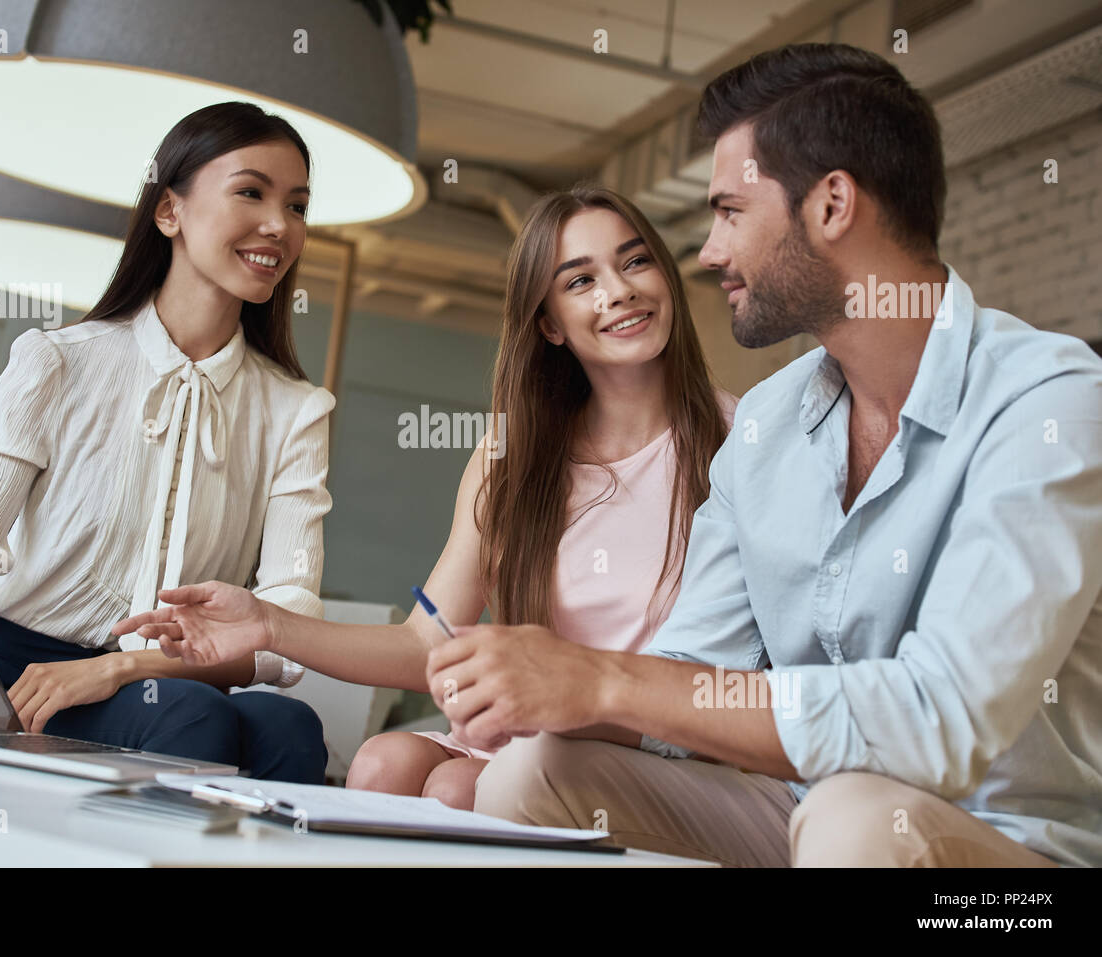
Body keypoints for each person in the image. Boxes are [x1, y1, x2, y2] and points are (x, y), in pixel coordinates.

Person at [415, 42, 1102, 867]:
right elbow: (693, 671)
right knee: (532, 773)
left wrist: (603, 679)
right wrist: (541, 682)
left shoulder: (1048, 398)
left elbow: (938, 717)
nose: (705, 251)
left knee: (855, 821)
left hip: (1005, 863)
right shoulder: (769, 423)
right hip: (799, 808)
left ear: (832, 205)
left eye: (730, 211)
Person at [112, 184, 736, 809]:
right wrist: (268, 623)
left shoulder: (739, 438)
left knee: (458, 787)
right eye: (579, 281)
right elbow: (429, 640)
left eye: (635, 261)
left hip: (643, 739)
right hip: (527, 734)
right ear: (548, 324)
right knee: (384, 763)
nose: (618, 290)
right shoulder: (511, 454)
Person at [0, 102, 332, 783]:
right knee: (193, 717)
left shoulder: (296, 409)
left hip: (164, 675)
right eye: (252, 192)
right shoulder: (56, 361)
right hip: (24, 665)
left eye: (297, 205)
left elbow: (288, 626)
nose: (280, 224)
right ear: (169, 212)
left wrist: (126, 664)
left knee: (289, 725)